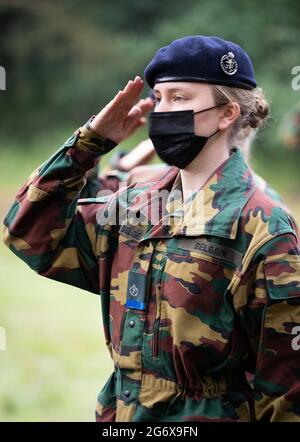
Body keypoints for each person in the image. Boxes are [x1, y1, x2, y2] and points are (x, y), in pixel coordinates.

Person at [3, 35, 300, 422]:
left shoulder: (262, 227)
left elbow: (286, 387)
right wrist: (88, 144)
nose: (162, 111)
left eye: (180, 98)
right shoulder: (133, 206)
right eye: (159, 98)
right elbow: (30, 234)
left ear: (227, 113)